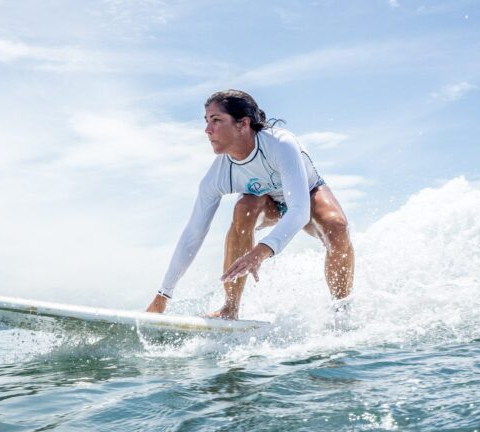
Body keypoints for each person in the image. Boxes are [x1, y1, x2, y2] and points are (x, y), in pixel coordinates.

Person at [145, 90, 354, 320]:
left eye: (216, 120)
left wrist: (263, 250)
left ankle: (341, 311)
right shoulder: (218, 176)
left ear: (243, 123)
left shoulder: (280, 144)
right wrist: (163, 295)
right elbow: (193, 233)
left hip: (307, 193)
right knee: (242, 209)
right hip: (267, 204)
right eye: (207, 121)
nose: (207, 130)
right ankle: (230, 308)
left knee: (337, 227)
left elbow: (299, 210)